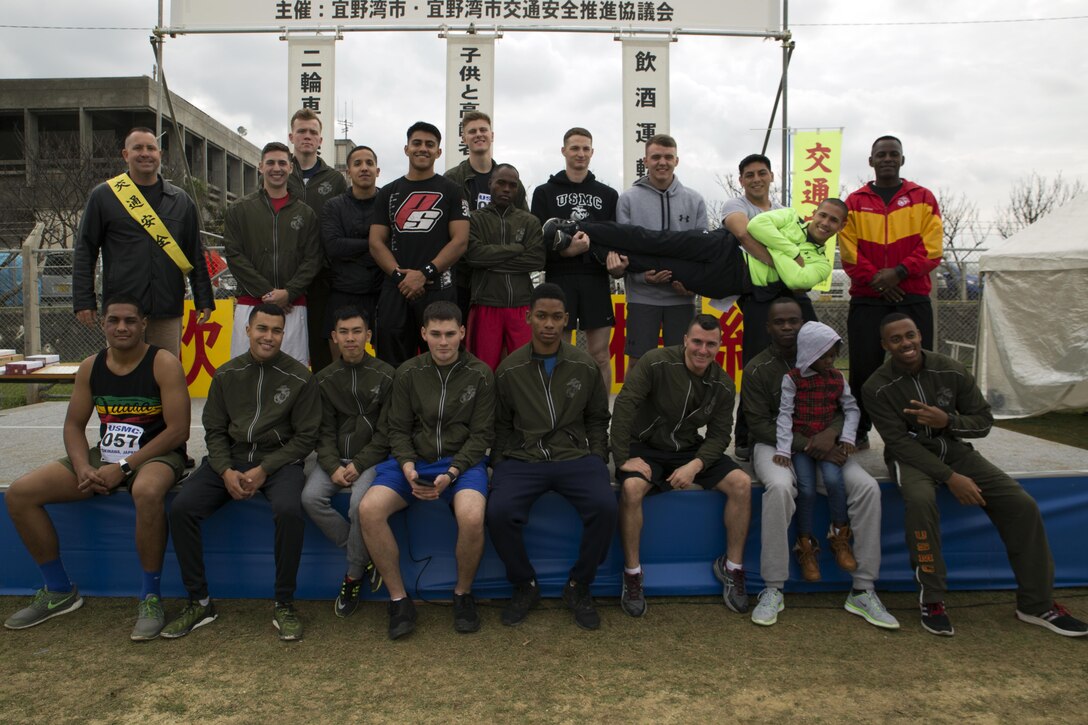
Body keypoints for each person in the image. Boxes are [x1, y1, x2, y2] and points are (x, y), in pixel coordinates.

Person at [864, 314, 1086, 637]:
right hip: (909, 459)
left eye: (909, 335)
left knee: (1021, 505)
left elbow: (983, 421)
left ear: (920, 335)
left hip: (955, 450)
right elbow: (897, 444)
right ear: (885, 345)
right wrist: (951, 478)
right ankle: (933, 599)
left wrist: (948, 422)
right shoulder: (876, 386)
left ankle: (1036, 604)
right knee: (921, 500)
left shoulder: (950, 370)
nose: (905, 344)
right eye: (895, 339)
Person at [3, 296, 189, 640]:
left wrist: (123, 467)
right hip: (101, 455)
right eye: (113, 320)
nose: (122, 327)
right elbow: (74, 425)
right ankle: (59, 590)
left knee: (147, 491)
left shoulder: (163, 363)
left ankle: (150, 596)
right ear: (102, 324)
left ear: (144, 324)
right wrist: (80, 466)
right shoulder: (91, 366)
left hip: (157, 454)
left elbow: (178, 430)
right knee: (20, 494)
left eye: (130, 320)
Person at [162, 303, 320, 641]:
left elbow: (306, 438)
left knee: (290, 510)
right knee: (182, 508)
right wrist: (225, 471)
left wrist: (265, 468)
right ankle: (200, 602)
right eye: (262, 328)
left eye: (276, 330)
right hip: (230, 459)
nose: (269, 336)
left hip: (279, 463)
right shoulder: (226, 374)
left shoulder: (300, 377)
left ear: (284, 333)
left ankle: (284, 603)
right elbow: (215, 431)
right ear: (247, 330)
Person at [743, 297, 897, 630]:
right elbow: (758, 423)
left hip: (826, 446)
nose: (787, 327)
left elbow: (845, 408)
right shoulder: (757, 368)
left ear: (803, 324)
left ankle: (863, 588)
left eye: (793, 321)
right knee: (781, 488)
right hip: (777, 448)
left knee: (868, 488)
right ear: (767, 327)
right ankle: (773, 587)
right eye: (779, 322)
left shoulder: (827, 361)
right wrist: (812, 445)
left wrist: (832, 434)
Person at [358, 301, 494, 639]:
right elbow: (397, 429)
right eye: (435, 334)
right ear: (423, 334)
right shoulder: (407, 372)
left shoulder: (481, 374)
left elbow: (482, 437)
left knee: (473, 516)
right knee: (369, 509)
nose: (443, 342)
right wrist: (406, 466)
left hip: (460, 463)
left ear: (462, 333)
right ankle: (399, 599)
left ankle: (463, 594)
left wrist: (451, 473)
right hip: (412, 462)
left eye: (450, 334)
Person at [486, 283, 617, 630]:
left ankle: (579, 585)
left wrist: (598, 456)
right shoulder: (509, 369)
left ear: (566, 321)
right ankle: (524, 584)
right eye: (541, 316)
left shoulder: (584, 365)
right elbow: (499, 424)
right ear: (528, 317)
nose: (548, 324)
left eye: (556, 317)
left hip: (574, 455)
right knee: (498, 512)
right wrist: (497, 464)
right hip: (523, 458)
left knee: (605, 507)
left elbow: (597, 417)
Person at [610, 313, 752, 617]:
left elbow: (719, 435)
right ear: (685, 339)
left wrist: (696, 465)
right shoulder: (655, 362)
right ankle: (633, 574)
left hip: (687, 450)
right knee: (633, 488)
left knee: (741, 484)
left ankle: (732, 567)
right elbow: (624, 405)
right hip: (646, 447)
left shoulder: (723, 385)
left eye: (710, 344)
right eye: (697, 341)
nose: (703, 350)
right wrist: (621, 457)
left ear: (719, 346)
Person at [73, 127, 214, 356]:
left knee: (165, 374)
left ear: (160, 154)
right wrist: (83, 301)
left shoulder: (180, 200)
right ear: (125, 155)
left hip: (167, 307)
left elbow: (194, 253)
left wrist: (204, 299)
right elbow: (85, 250)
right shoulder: (104, 195)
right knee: (121, 374)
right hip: (122, 310)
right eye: (137, 148)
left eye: (151, 148)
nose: (145, 153)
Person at [841, 136, 943, 447]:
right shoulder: (854, 202)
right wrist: (878, 281)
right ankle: (857, 432)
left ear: (902, 159)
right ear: (870, 161)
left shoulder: (923, 198)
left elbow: (933, 247)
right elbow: (848, 252)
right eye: (881, 154)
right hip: (868, 299)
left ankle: (919, 431)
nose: (887, 159)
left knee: (918, 366)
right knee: (863, 368)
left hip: (911, 297)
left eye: (893, 154)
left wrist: (898, 273)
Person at [546, 198, 846, 300]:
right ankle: (574, 229)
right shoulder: (790, 215)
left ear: (840, 227)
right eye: (823, 215)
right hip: (722, 245)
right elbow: (755, 228)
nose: (825, 223)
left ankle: (591, 249)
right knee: (652, 238)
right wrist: (790, 254)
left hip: (732, 280)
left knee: (659, 265)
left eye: (833, 221)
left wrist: (777, 250)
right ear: (814, 213)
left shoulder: (821, 265)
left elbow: (795, 280)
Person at [300, 306, 394, 617]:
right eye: (344, 332)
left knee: (358, 507)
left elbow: (387, 433)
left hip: (370, 460)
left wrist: (359, 463)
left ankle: (353, 575)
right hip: (333, 459)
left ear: (368, 336)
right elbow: (320, 432)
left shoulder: (387, 375)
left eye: (357, 332)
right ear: (334, 337)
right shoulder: (324, 379)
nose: (351, 338)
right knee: (310, 498)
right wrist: (331, 466)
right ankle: (365, 555)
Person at [719, 153, 806, 461]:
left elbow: (802, 251)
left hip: (790, 291)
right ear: (741, 180)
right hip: (757, 293)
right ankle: (745, 435)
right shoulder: (736, 207)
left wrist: (797, 271)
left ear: (771, 176)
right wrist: (778, 262)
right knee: (756, 364)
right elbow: (743, 234)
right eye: (750, 174)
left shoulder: (787, 212)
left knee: (810, 350)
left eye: (762, 173)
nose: (756, 178)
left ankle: (803, 428)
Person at [369, 122, 470, 368]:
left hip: (439, 289)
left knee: (442, 361)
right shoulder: (388, 192)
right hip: (396, 289)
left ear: (439, 152)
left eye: (429, 144)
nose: (422, 149)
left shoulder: (453, 191)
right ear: (406, 149)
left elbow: (460, 241)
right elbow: (375, 242)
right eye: (417, 143)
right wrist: (400, 277)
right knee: (391, 364)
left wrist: (424, 274)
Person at [605, 134, 706, 370]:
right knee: (639, 363)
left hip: (682, 297)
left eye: (668, 157)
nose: (663, 162)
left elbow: (703, 250)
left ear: (677, 160)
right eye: (657, 156)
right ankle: (635, 408)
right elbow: (624, 248)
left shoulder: (695, 200)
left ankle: (678, 408)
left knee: (683, 363)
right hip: (642, 296)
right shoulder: (628, 198)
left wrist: (690, 284)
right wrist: (642, 277)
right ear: (646, 161)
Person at [531, 127, 618, 390]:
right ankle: (559, 410)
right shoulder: (544, 192)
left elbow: (614, 240)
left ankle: (600, 416)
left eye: (585, 148)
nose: (580, 153)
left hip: (595, 278)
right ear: (564, 151)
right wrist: (566, 251)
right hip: (559, 279)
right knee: (558, 352)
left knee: (600, 355)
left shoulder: (608, 195)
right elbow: (537, 244)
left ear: (592, 152)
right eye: (575, 148)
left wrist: (613, 262)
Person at [773, 321, 860, 582]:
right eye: (825, 356)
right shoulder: (792, 379)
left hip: (828, 444)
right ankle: (806, 545)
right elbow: (785, 415)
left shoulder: (837, 379)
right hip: (802, 447)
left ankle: (840, 536)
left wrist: (846, 437)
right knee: (807, 489)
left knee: (834, 480)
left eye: (833, 355)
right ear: (810, 353)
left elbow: (851, 408)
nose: (831, 361)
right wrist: (784, 449)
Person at [223, 141, 322, 367]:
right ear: (260, 166)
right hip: (251, 303)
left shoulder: (306, 213)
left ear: (290, 168)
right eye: (270, 163)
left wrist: (289, 292)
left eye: (281, 163)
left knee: (292, 373)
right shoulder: (239, 209)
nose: (276, 168)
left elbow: (312, 258)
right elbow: (235, 256)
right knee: (245, 370)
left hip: (293, 306)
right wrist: (267, 293)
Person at [444, 110, 529, 325]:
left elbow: (525, 226)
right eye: (472, 131)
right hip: (463, 276)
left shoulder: (509, 178)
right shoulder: (451, 180)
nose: (478, 134)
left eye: (483, 130)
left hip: (500, 279)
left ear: (492, 135)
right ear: (464, 138)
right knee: (461, 339)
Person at [462, 164, 545, 370]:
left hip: (522, 304)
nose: (506, 189)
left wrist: (491, 262)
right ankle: (486, 404)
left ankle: (519, 404)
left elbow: (536, 259)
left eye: (512, 185)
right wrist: (517, 248)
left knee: (525, 368)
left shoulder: (530, 221)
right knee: (484, 367)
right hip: (486, 302)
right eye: (501, 183)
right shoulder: (475, 219)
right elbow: (474, 256)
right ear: (491, 184)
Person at [286, 108, 349, 373]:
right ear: (292, 136)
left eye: (313, 132)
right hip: (286, 276)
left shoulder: (335, 179)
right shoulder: (279, 173)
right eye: (302, 131)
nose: (307, 137)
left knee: (322, 345)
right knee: (287, 344)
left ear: (321, 140)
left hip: (324, 276)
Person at [320, 145, 383, 360]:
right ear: (348, 172)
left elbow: (394, 246)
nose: (364, 168)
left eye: (369, 163)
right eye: (357, 164)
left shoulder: (390, 204)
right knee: (340, 369)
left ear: (378, 170)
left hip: (382, 294)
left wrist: (354, 247)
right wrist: (374, 244)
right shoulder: (333, 206)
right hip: (342, 293)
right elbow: (334, 247)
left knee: (383, 368)